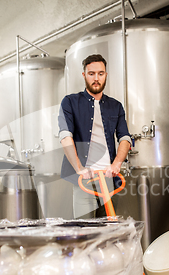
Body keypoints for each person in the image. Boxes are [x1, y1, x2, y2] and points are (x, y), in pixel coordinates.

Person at [58, 54, 131, 219]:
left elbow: (125, 138)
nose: (96, 78)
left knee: (109, 231)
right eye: (91, 74)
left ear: (106, 75)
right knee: (86, 232)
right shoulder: (70, 102)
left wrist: (117, 164)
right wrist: (79, 168)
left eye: (100, 73)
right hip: (85, 180)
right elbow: (65, 136)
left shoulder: (116, 106)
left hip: (109, 179)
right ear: (84, 75)